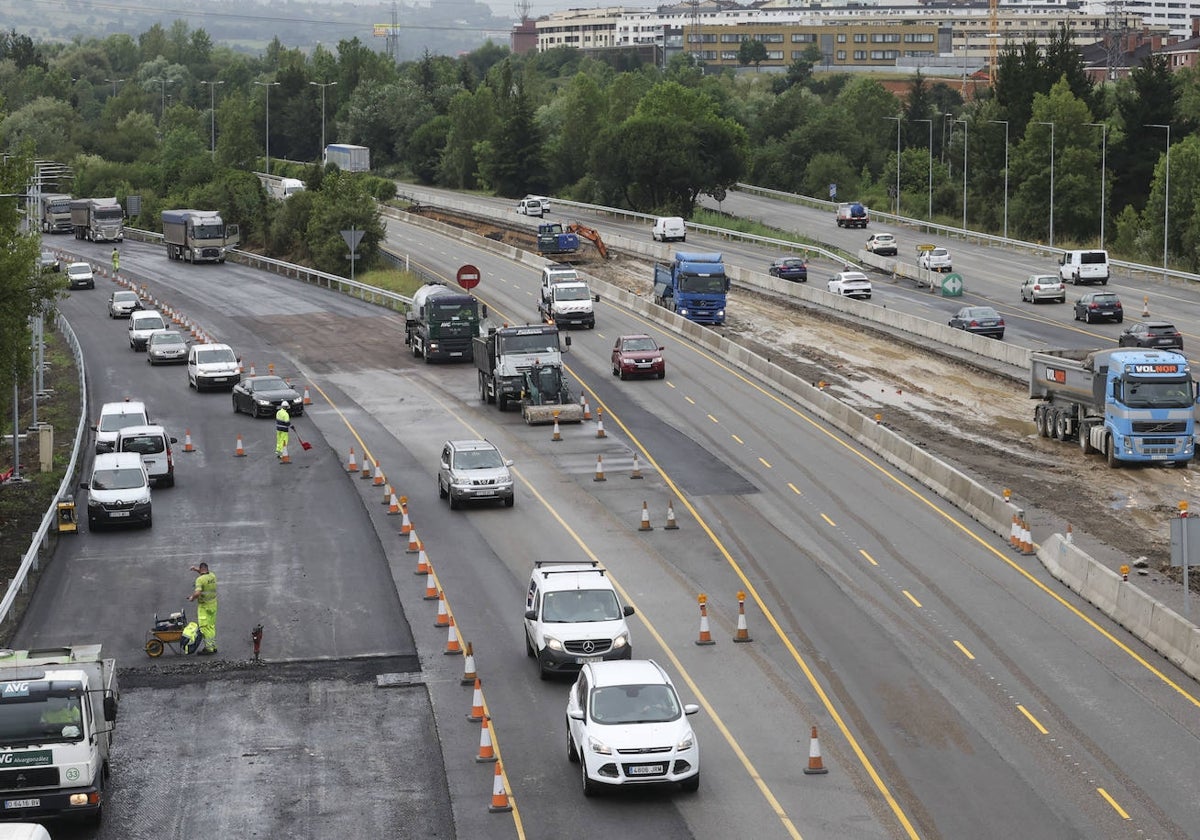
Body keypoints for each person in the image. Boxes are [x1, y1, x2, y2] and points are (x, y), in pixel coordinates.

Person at [187, 562, 218, 655]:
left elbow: (197, 593)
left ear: (201, 570)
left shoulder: (199, 580)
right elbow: (204, 574)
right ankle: (213, 646)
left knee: (204, 628)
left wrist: (192, 598)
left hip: (204, 607)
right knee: (211, 627)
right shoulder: (212, 576)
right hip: (213, 605)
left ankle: (209, 649)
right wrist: (196, 569)